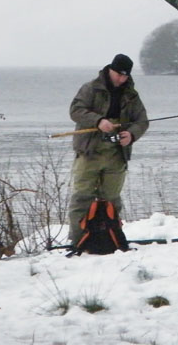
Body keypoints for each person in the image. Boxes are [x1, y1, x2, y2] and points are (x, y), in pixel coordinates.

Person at [67, 54, 149, 245]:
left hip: (116, 155)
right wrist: (98, 121)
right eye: (119, 74)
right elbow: (75, 111)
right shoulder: (90, 88)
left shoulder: (131, 95)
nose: (121, 79)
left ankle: (110, 240)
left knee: (111, 200)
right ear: (110, 70)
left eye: (125, 76)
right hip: (89, 153)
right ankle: (78, 241)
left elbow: (142, 121)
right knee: (81, 198)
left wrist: (131, 135)